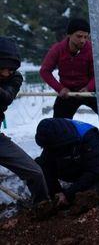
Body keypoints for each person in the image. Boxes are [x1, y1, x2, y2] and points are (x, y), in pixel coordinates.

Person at [39, 18, 99, 156]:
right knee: (58, 124)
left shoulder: (91, 49)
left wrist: (89, 87)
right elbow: (44, 71)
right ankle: (53, 155)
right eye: (79, 36)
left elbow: (98, 73)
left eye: (85, 37)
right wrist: (60, 88)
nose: (82, 40)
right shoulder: (57, 49)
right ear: (69, 35)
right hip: (67, 93)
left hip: (88, 91)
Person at [0, 37, 50, 206]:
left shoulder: (14, 78)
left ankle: (42, 208)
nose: (7, 73)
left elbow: (6, 97)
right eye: (3, 68)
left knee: (35, 173)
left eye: (11, 69)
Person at [35, 118, 99, 206]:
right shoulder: (55, 135)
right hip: (72, 162)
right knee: (39, 165)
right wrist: (57, 194)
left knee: (94, 190)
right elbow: (46, 163)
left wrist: (68, 194)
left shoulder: (87, 136)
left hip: (92, 170)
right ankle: (56, 199)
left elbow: (95, 170)